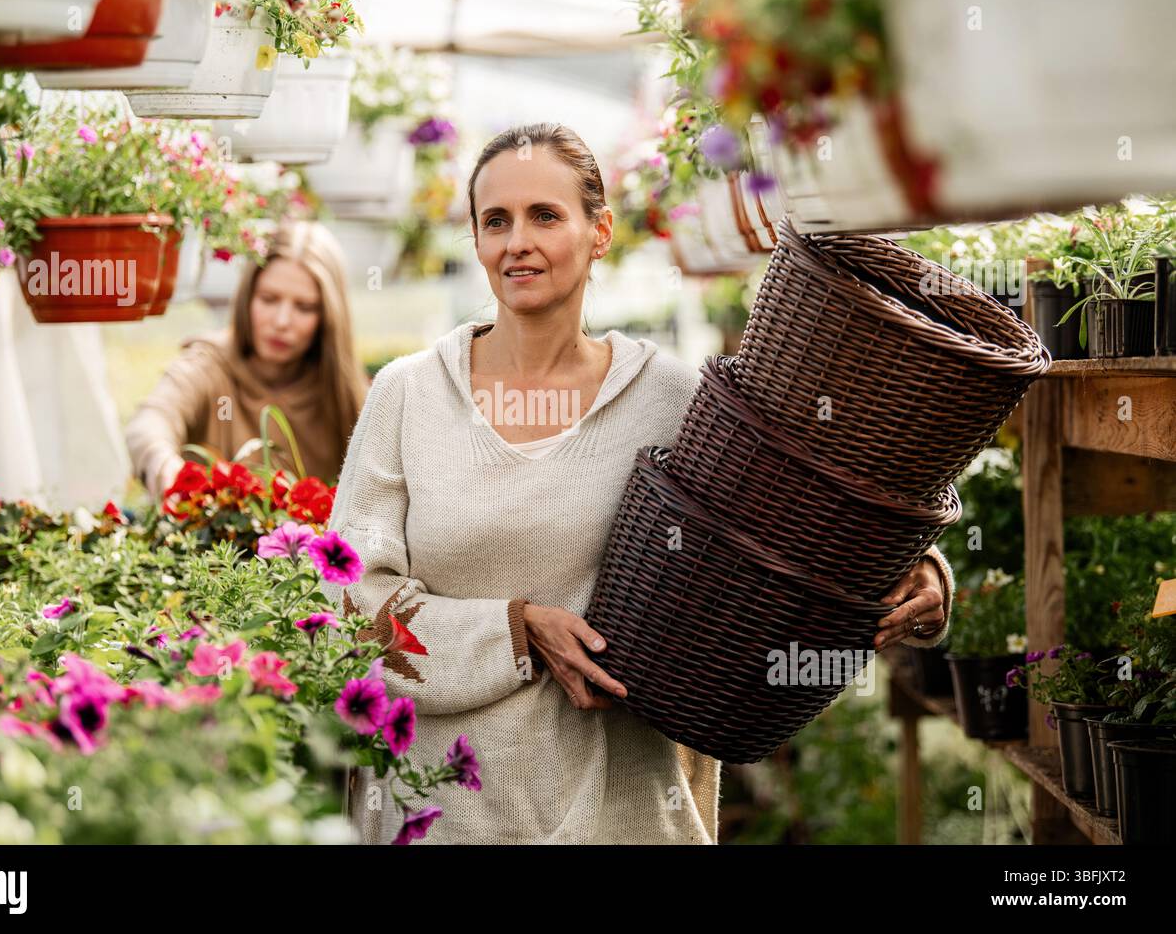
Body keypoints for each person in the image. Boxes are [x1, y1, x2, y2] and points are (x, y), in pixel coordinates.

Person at [319, 123, 955, 845]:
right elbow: (350, 609)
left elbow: (800, 523)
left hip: (625, 809)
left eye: (545, 216)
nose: (516, 242)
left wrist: (922, 571)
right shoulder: (408, 396)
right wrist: (515, 632)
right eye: (495, 221)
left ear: (600, 232)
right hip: (443, 813)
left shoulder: (673, 398)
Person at [126, 221, 369, 498]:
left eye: (304, 307)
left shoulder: (341, 390)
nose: (281, 321)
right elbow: (150, 421)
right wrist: (162, 462)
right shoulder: (209, 364)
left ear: (328, 316)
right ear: (247, 297)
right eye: (268, 299)